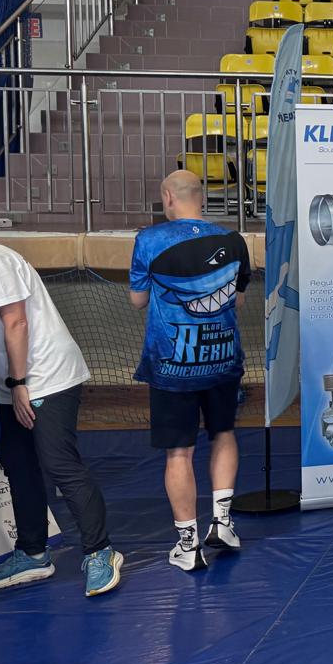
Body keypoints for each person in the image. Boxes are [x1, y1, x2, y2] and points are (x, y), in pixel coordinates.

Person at [0, 223, 123, 597]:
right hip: (8, 384)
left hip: (46, 378)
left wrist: (19, 382)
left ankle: (100, 551)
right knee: (17, 464)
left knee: (59, 463)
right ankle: (33, 552)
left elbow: (16, 320)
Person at [128, 172, 253, 572]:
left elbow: (137, 300)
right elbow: (238, 299)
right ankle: (223, 523)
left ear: (168, 196)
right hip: (223, 359)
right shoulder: (234, 240)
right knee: (224, 434)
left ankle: (188, 544)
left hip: (172, 365)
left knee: (179, 451)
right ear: (201, 197)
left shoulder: (149, 240)